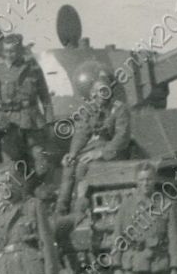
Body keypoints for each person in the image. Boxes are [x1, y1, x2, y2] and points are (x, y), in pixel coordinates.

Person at [56, 62, 131, 215]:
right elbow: (81, 133)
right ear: (92, 94)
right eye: (97, 92)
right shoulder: (90, 110)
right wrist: (72, 153)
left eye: (104, 90)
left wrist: (100, 153)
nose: (101, 95)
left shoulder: (119, 109)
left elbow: (122, 137)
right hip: (92, 149)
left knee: (83, 167)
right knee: (69, 166)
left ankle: (81, 208)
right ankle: (62, 209)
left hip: (113, 151)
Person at [0, 33, 52, 180]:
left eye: (12, 51)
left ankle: (43, 188)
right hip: (10, 121)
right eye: (6, 51)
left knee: (40, 159)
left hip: (32, 119)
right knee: (12, 163)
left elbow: (45, 96)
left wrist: (49, 120)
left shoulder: (33, 68)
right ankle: (17, 190)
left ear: (20, 50)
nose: (9, 55)